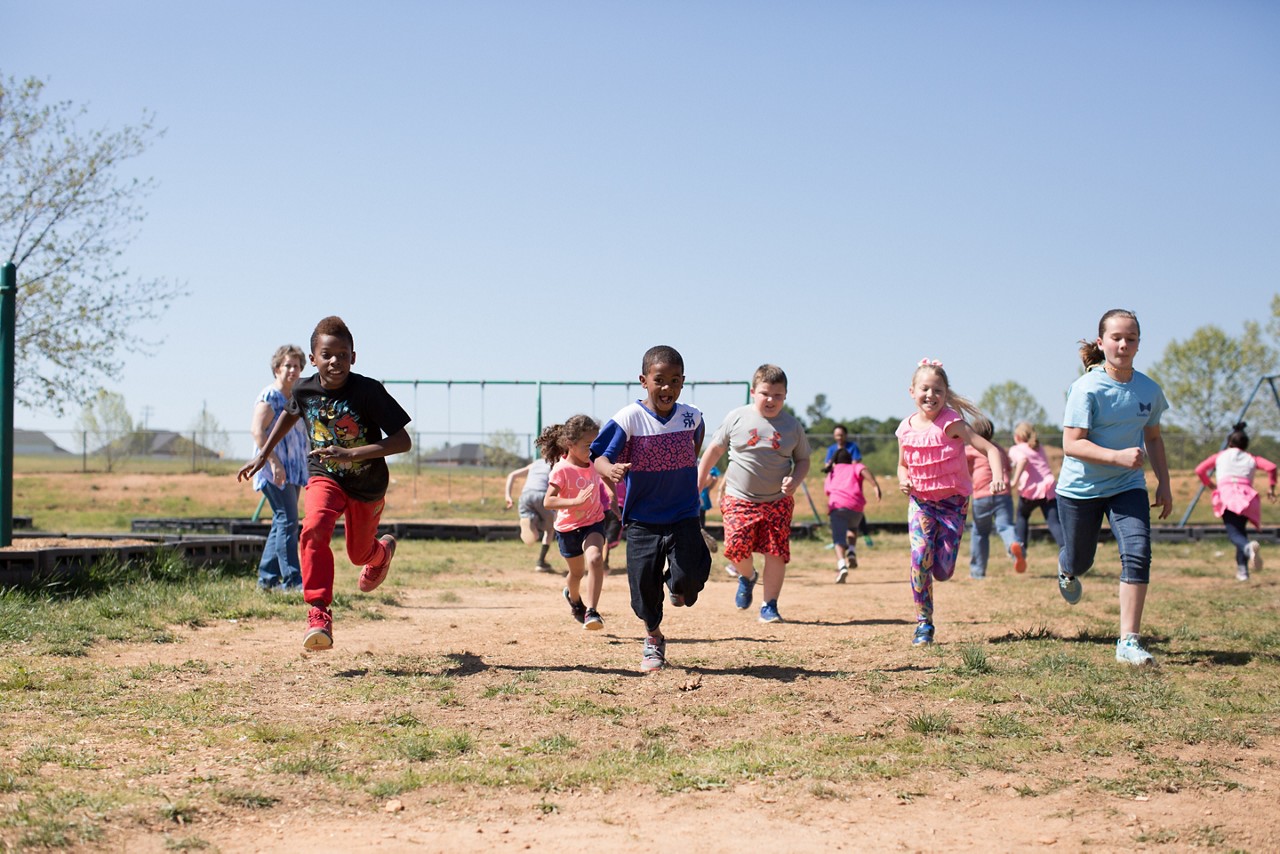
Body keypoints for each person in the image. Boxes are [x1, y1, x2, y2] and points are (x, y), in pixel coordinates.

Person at [238, 316, 412, 651]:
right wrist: (263, 454)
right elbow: (289, 414)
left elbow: (402, 441)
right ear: (314, 358)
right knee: (313, 527)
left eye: (343, 355)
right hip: (324, 474)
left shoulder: (368, 391)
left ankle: (381, 553)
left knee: (358, 554)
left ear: (354, 357)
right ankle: (318, 612)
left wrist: (352, 453)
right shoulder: (304, 390)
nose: (336, 362)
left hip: (367, 483)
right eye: (327, 355)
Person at [1056, 309, 1171, 667]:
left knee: (1137, 551)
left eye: (1131, 338)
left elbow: (1153, 436)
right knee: (1081, 559)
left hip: (1127, 486)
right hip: (1080, 489)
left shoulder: (1149, 390)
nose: (1123, 344)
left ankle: (1129, 642)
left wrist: (1163, 483)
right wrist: (1117, 456)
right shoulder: (1086, 387)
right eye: (1116, 338)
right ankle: (1066, 567)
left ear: (1139, 343)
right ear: (1101, 341)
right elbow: (1072, 444)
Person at [591, 345, 711, 672]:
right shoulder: (628, 418)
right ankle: (653, 638)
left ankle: (678, 584)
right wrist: (609, 470)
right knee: (643, 589)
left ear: (683, 382)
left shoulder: (693, 417)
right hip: (643, 518)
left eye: (675, 381)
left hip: (684, 513)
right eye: (660, 380)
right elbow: (598, 456)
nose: (667, 388)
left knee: (688, 579)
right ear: (644, 381)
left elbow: (693, 448)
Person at [896, 359, 1008, 646]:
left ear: (946, 394)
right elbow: (902, 465)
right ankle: (924, 623)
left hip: (952, 505)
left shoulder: (952, 424)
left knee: (943, 570)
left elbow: (990, 449)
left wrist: (998, 476)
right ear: (911, 391)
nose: (931, 395)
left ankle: (937, 565)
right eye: (925, 389)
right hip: (921, 503)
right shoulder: (905, 429)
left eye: (938, 390)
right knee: (919, 557)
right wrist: (903, 479)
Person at [698, 364, 810, 623]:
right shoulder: (737, 417)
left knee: (775, 552)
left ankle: (769, 605)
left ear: (785, 396)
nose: (771, 400)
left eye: (778, 395)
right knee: (737, 548)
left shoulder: (792, 426)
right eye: (765, 393)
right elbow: (713, 452)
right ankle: (747, 577)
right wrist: (699, 481)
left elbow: (803, 460)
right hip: (739, 498)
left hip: (777, 501)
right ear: (753, 392)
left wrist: (795, 478)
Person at [249, 344, 311, 592]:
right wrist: (273, 462)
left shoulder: (297, 398)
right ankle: (293, 580)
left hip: (294, 469)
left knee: (281, 521)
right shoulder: (270, 396)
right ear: (277, 368)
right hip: (273, 469)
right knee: (288, 521)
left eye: (297, 366)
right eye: (288, 365)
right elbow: (257, 431)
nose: (293, 370)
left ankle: (266, 580)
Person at [539, 416, 608, 630]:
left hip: (593, 522)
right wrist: (575, 502)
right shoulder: (561, 470)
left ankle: (592, 611)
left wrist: (612, 498)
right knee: (576, 574)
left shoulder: (595, 462)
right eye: (588, 445)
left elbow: (605, 478)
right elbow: (548, 501)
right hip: (568, 528)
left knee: (596, 559)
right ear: (570, 444)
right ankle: (574, 599)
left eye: (596, 444)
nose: (593, 449)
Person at [1195, 421, 1277, 582]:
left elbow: (1199, 470)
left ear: (1229, 442)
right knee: (1241, 532)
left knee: (1234, 534)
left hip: (1228, 496)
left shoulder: (1220, 456)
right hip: (1248, 498)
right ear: (1246, 445)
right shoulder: (1251, 458)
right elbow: (1272, 467)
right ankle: (1242, 570)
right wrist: (1271, 488)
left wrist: (1210, 484)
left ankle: (1247, 550)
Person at [964, 416, 1024, 579]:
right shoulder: (997, 449)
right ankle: (1014, 544)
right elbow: (1007, 469)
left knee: (980, 532)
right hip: (1002, 493)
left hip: (981, 495)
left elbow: (963, 468)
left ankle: (977, 571)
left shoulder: (970, 449)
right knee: (1005, 526)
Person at [823, 448, 881, 582]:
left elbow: (827, 491)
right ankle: (852, 551)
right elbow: (863, 470)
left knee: (838, 538)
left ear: (835, 461)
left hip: (837, 507)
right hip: (856, 507)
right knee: (853, 528)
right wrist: (875, 486)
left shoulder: (832, 472)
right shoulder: (855, 466)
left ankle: (842, 565)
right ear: (850, 459)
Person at [1009, 421, 1065, 558]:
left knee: (1022, 515)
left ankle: (1021, 547)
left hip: (1030, 490)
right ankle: (1067, 549)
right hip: (1049, 488)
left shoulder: (1016, 449)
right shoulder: (1039, 447)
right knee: (1053, 522)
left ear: (1017, 437)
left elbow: (1022, 460)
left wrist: (1014, 481)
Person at [824, 424, 874, 547]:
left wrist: (840, 466)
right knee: (842, 510)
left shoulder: (852, 447)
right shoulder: (831, 449)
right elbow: (827, 465)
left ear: (845, 435)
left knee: (855, 509)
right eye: (836, 435)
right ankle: (841, 538)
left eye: (841, 435)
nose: (839, 437)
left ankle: (865, 534)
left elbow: (855, 463)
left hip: (851, 483)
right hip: (838, 484)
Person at [504, 457, 557, 572]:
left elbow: (512, 475)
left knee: (529, 516)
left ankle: (530, 522)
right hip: (542, 494)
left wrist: (508, 496)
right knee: (551, 529)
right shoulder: (556, 465)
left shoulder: (535, 464)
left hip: (526, 495)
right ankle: (541, 562)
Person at [698, 464, 721, 554]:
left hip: (698, 495)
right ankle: (701, 538)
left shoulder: (698, 462)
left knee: (697, 518)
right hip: (702, 495)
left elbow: (712, 477)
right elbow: (714, 478)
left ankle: (700, 537)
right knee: (701, 517)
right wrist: (708, 488)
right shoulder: (701, 462)